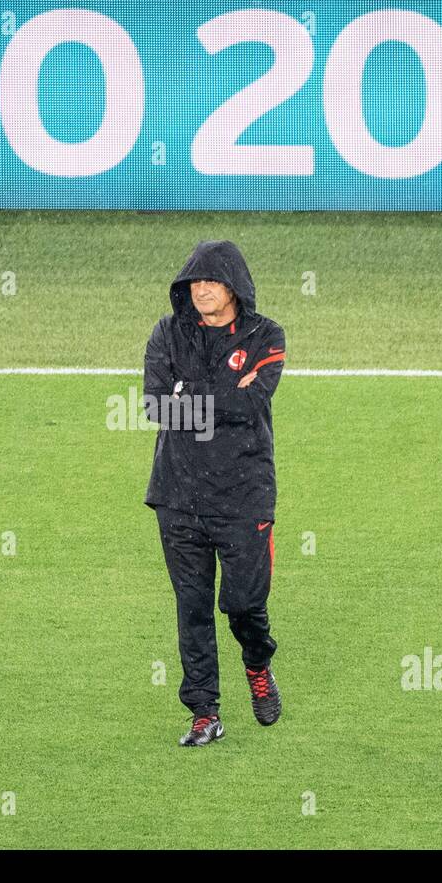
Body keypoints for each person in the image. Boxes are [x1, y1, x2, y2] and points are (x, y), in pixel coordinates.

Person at [143, 239, 286, 746]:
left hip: (244, 496)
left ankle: (257, 663)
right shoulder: (166, 332)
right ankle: (204, 712)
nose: (201, 291)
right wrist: (221, 397)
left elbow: (250, 405)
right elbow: (157, 408)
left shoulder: (266, 335)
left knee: (244, 604)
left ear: (234, 287)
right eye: (193, 284)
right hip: (177, 496)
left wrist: (191, 396)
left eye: (211, 282)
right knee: (192, 607)